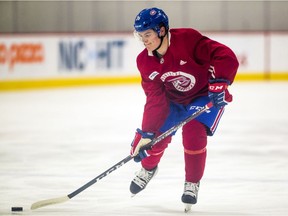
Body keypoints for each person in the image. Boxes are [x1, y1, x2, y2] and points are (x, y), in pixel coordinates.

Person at [129, 7, 239, 210]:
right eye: (140, 35)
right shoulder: (144, 61)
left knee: (193, 130)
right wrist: (147, 132)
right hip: (174, 100)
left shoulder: (187, 40)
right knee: (156, 137)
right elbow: (154, 98)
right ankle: (148, 168)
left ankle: (192, 182)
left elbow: (225, 55)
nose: (144, 40)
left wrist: (220, 81)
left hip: (203, 94)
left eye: (148, 34)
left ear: (162, 31)